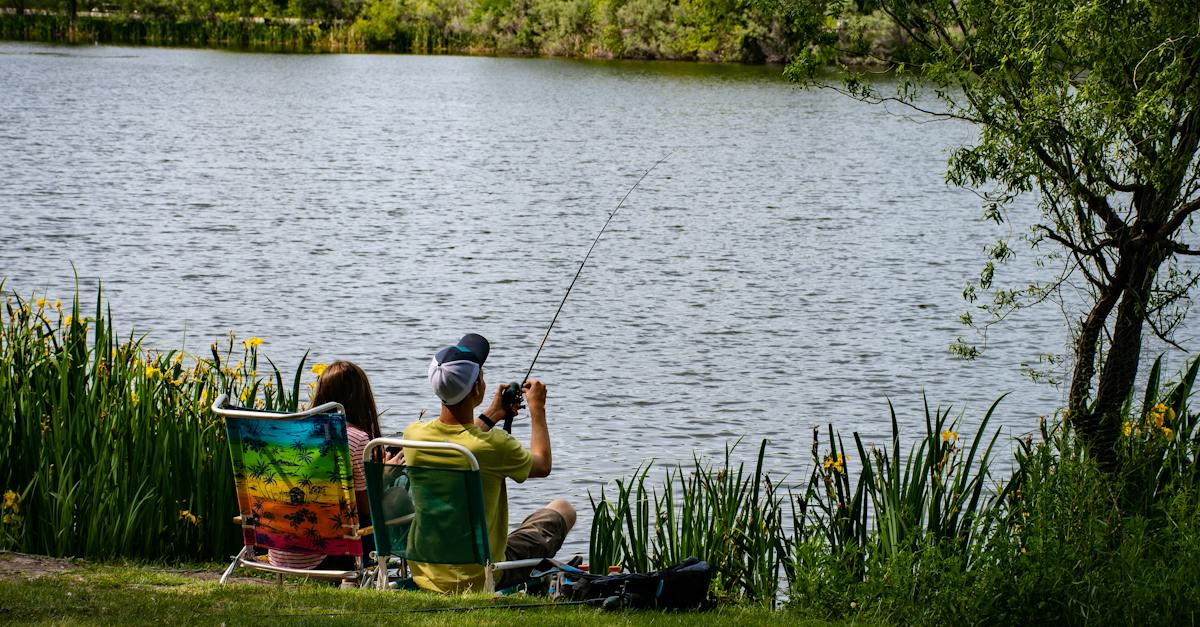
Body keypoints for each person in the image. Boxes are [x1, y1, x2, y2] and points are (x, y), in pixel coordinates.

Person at [400, 333, 575, 593]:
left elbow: (463, 442)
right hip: (480, 575)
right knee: (562, 508)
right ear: (476, 388)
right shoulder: (494, 445)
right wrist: (538, 409)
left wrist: (493, 414)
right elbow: (542, 464)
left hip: (427, 572)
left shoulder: (414, 436)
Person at [268, 360, 381, 571]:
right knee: (386, 507)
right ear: (362, 398)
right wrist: (383, 476)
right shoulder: (356, 440)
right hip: (325, 556)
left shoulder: (292, 434)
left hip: (280, 551)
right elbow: (367, 507)